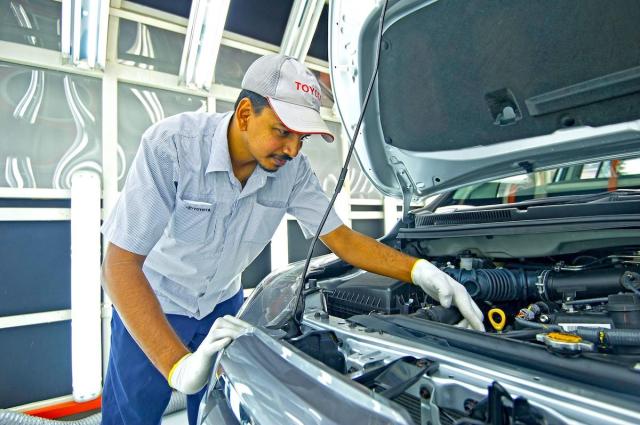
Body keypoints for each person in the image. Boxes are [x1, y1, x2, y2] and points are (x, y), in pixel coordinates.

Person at [100, 54, 484, 425]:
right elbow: (119, 266)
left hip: (221, 305)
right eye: (283, 132)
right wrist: (176, 365)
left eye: (302, 138)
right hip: (153, 303)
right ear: (246, 114)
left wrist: (420, 271)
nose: (293, 149)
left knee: (215, 410)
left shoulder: (292, 170)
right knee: (133, 415)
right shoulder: (172, 147)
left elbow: (344, 241)